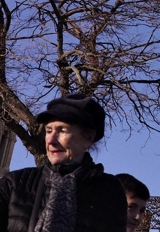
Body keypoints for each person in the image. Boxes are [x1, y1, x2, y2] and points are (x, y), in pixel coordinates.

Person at [0, 93, 125, 232]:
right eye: (48, 131)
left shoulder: (109, 192)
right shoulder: (15, 184)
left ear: (88, 138)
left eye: (62, 131)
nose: (51, 140)